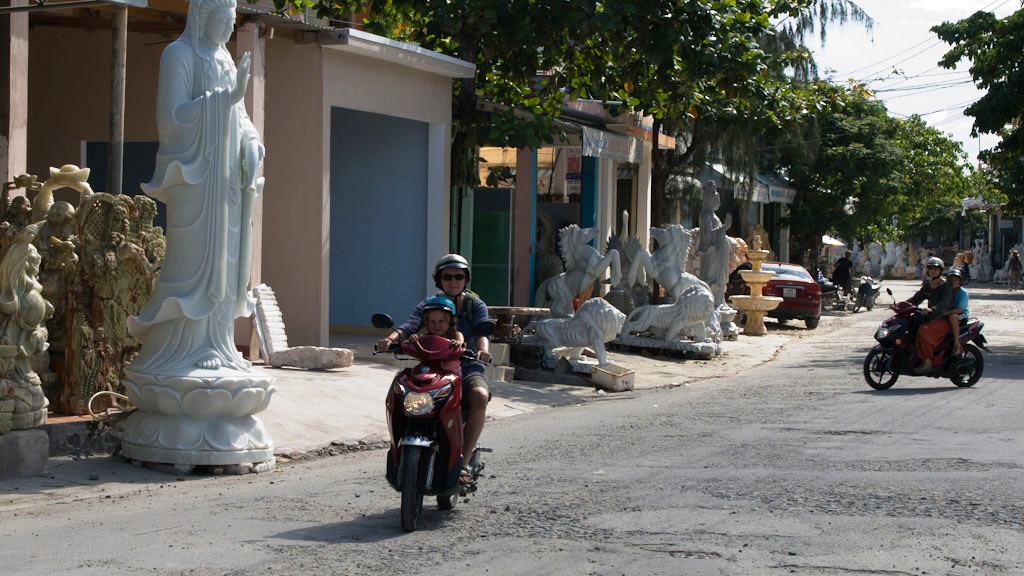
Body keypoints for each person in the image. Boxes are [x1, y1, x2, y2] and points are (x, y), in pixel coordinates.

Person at [127, 0, 265, 373]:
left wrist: (253, 145)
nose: (226, 31)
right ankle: (182, 349)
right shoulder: (179, 54)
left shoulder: (225, 60)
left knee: (227, 261)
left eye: (231, 23)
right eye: (221, 21)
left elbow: (242, 119)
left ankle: (217, 343)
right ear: (201, 18)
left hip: (227, 188)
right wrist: (223, 100)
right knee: (194, 264)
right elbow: (171, 118)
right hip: (196, 180)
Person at [377, 254, 492, 484]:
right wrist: (390, 340)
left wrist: (482, 351)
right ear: (439, 280)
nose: (453, 281)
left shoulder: (474, 305)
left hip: (467, 367)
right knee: (402, 391)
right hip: (432, 365)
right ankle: (400, 452)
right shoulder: (429, 305)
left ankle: (463, 462)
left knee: (479, 396)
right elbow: (410, 326)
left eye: (459, 276)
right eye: (447, 276)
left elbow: (482, 333)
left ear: (466, 279)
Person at [907, 256, 952, 374]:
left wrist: (931, 309)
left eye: (935, 269)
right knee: (911, 326)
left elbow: (944, 304)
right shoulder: (928, 285)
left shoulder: (945, 286)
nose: (932, 271)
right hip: (930, 318)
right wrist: (901, 305)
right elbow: (915, 299)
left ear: (940, 270)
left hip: (943, 319)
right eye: (930, 268)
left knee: (923, 331)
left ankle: (927, 362)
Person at [944, 268, 969, 355]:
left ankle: (956, 343)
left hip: (961, 316)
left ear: (960, 281)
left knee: (953, 316)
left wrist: (946, 313)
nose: (953, 282)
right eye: (950, 280)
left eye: (955, 280)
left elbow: (960, 309)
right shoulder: (947, 291)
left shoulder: (963, 293)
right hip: (948, 313)